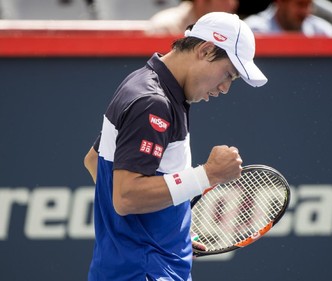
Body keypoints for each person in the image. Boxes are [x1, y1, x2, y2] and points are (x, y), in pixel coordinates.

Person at [84, 12, 267, 281]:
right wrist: (208, 175)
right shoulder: (153, 103)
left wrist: (167, 229)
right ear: (206, 50)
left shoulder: (145, 84)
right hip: (145, 272)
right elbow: (126, 196)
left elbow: (93, 160)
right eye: (228, 73)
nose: (225, 88)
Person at [244, 0, 332, 37]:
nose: (305, 11)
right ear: (280, 2)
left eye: (309, 5)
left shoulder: (323, 32)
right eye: (300, 4)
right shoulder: (252, 30)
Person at [147, 0, 239, 35]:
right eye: (225, 0)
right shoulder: (165, 26)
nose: (233, 4)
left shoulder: (229, 28)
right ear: (201, 1)